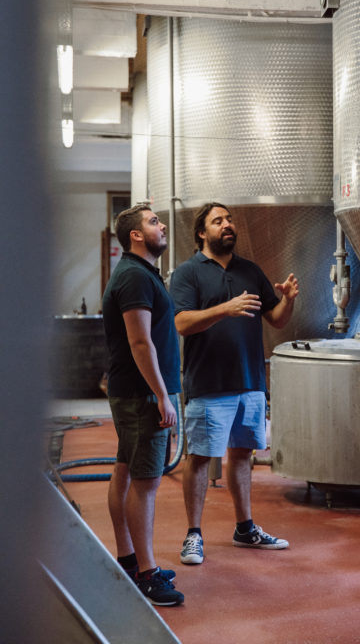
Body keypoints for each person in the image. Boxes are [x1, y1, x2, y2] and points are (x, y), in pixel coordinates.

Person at [169, 202, 299, 566]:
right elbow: (181, 323)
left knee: (242, 454)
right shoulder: (188, 272)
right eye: (218, 221)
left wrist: (287, 300)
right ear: (202, 232)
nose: (227, 225)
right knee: (200, 458)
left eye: (229, 220)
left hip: (250, 380)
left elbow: (275, 319)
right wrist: (224, 309)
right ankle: (193, 534)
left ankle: (245, 528)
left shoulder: (249, 270)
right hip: (209, 382)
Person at [102, 204, 184, 606]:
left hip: (135, 392)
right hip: (142, 395)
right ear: (135, 235)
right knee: (146, 482)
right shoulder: (134, 276)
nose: (162, 224)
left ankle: (129, 561)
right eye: (153, 221)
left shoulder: (139, 272)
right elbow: (139, 341)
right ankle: (148, 574)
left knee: (126, 470)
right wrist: (162, 395)